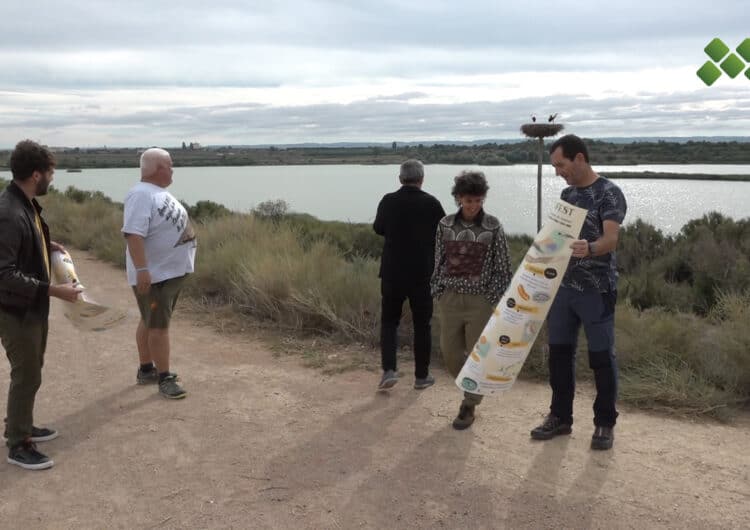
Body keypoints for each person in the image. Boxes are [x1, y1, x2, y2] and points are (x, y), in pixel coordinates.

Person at [530, 134, 627, 450]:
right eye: (555, 166)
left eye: (561, 164)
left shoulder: (609, 193)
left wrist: (591, 247)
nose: (558, 171)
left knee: (601, 358)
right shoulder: (567, 193)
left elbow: (611, 240)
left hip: (597, 291)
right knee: (559, 355)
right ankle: (560, 417)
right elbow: (558, 237)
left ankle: (604, 424)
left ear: (580, 158)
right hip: (563, 290)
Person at [1, 140, 82, 470]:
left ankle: (20, 423)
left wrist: (45, 243)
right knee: (27, 374)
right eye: (50, 172)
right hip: (14, 309)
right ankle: (18, 443)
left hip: (27, 307)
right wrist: (53, 290)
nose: (53, 178)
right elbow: (3, 273)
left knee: (32, 371)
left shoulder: (24, 204)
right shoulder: (8, 213)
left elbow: (21, 241)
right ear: (36, 174)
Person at [431, 171, 512, 429]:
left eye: (478, 200)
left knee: (478, 355)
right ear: (458, 198)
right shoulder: (444, 224)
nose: (473, 205)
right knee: (450, 353)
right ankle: (470, 390)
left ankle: (469, 403)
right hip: (450, 299)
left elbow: (503, 266)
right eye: (468, 201)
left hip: (479, 302)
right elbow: (438, 259)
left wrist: (491, 297)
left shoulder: (493, 226)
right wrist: (438, 290)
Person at [122, 148, 196, 399]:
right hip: (156, 276)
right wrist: (143, 270)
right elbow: (133, 233)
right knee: (158, 327)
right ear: (158, 169)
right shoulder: (141, 195)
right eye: (170, 165)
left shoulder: (155, 193)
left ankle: (146, 369)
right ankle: (165, 378)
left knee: (150, 319)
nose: (173, 169)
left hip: (167, 274)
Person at [374, 160, 446, 390]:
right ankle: (421, 377)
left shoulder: (388, 200)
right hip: (421, 275)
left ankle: (389, 371)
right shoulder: (432, 204)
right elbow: (443, 234)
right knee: (422, 325)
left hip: (392, 273)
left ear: (400, 178)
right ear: (422, 179)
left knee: (389, 321)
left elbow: (378, 228)